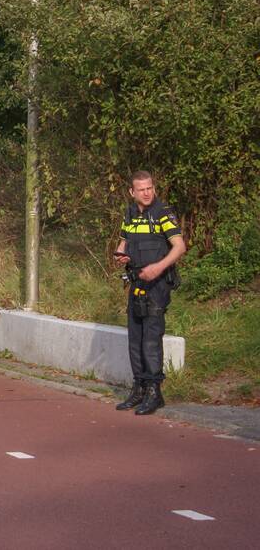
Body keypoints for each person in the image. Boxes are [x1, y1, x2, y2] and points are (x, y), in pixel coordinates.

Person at [114, 171, 185, 415]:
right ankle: (139, 388)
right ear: (132, 193)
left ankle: (155, 392)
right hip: (136, 283)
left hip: (157, 285)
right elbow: (122, 243)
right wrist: (120, 254)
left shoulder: (162, 214)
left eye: (150, 188)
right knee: (135, 337)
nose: (147, 192)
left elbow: (179, 246)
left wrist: (157, 268)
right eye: (141, 189)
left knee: (151, 338)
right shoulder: (130, 214)